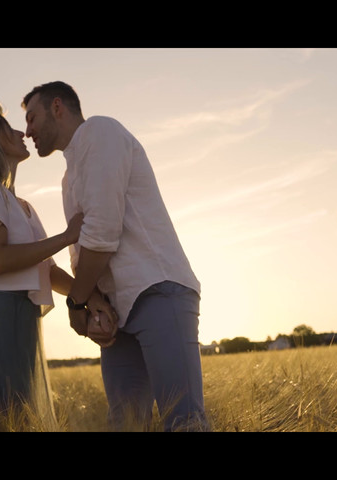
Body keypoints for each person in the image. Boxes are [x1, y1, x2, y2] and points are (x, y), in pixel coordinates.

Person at [22, 81, 209, 431]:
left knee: (184, 421)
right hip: (114, 312)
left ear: (57, 107)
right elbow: (83, 251)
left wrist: (77, 303)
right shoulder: (67, 178)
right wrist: (94, 303)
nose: (27, 131)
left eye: (32, 118)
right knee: (124, 424)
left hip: (157, 290)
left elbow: (102, 232)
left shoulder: (101, 132)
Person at [0, 102, 110, 431]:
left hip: (18, 320)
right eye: (10, 129)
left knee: (15, 419)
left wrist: (89, 296)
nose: (22, 133)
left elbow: (46, 269)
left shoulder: (22, 206)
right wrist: (66, 236)